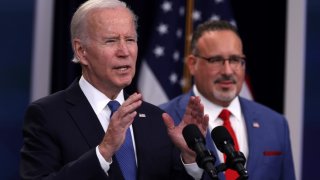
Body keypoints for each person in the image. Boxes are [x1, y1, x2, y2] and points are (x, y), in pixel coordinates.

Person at [20, 0, 207, 179]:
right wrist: (103, 151)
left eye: (130, 39)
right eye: (111, 41)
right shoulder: (48, 115)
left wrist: (190, 158)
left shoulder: (155, 118)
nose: (124, 51)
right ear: (81, 51)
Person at [160, 20, 296, 180]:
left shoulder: (275, 124)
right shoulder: (163, 119)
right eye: (216, 60)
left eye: (235, 60)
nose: (227, 70)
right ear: (192, 64)